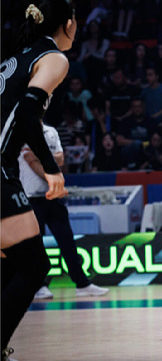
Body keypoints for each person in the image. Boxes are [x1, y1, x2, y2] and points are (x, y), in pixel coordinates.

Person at [1, 0, 73, 359]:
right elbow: (29, 116)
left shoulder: (11, 59)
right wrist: (51, 169)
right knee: (33, 266)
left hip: (4, 167)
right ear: (69, 23)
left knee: (11, 261)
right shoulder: (53, 58)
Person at [19, 123, 109, 299]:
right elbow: (30, 162)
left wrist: (40, 156)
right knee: (36, 246)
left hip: (53, 197)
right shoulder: (22, 130)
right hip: (31, 196)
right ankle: (39, 286)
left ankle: (82, 284)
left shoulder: (51, 131)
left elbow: (60, 159)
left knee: (67, 241)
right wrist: (53, 178)